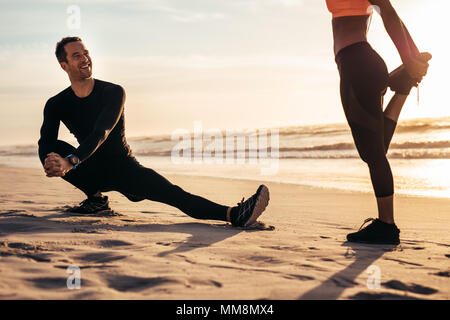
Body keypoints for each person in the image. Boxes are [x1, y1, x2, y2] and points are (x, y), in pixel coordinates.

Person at [38, 36, 270, 227]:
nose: (85, 58)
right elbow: (46, 141)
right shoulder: (57, 103)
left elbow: (102, 131)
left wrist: (71, 160)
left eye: (86, 52)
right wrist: (53, 163)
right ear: (64, 65)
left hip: (124, 168)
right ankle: (96, 199)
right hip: (90, 169)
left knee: (174, 194)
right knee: (50, 148)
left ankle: (234, 214)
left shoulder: (113, 92)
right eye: (76, 55)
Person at [325, 0, 431, 244]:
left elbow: (389, 12)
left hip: (357, 66)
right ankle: (403, 87)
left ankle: (387, 225)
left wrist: (410, 60)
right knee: (375, 150)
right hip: (359, 64)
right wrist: (411, 59)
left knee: (372, 154)